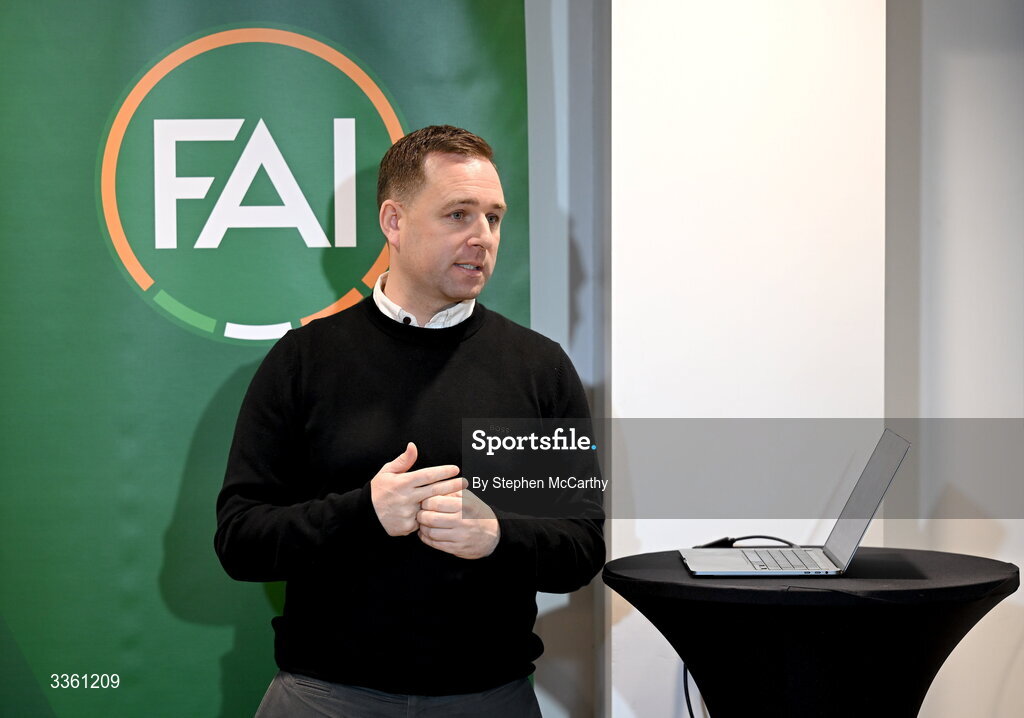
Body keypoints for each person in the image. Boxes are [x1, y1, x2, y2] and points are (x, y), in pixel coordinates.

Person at [215, 125, 605, 717]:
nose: (482, 237)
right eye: (458, 215)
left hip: (488, 699)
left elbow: (580, 548)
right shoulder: (303, 361)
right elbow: (240, 542)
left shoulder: (538, 369)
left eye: (494, 218)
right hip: (325, 697)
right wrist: (363, 513)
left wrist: (497, 535)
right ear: (394, 222)